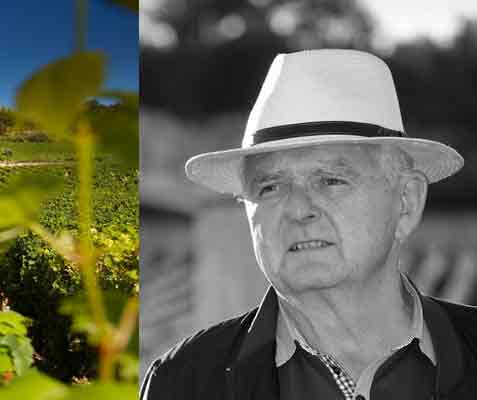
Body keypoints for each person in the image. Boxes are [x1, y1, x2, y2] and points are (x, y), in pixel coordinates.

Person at [141, 49, 477, 399]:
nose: (299, 209)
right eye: (270, 187)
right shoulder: (181, 383)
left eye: (331, 180)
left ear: (406, 202)